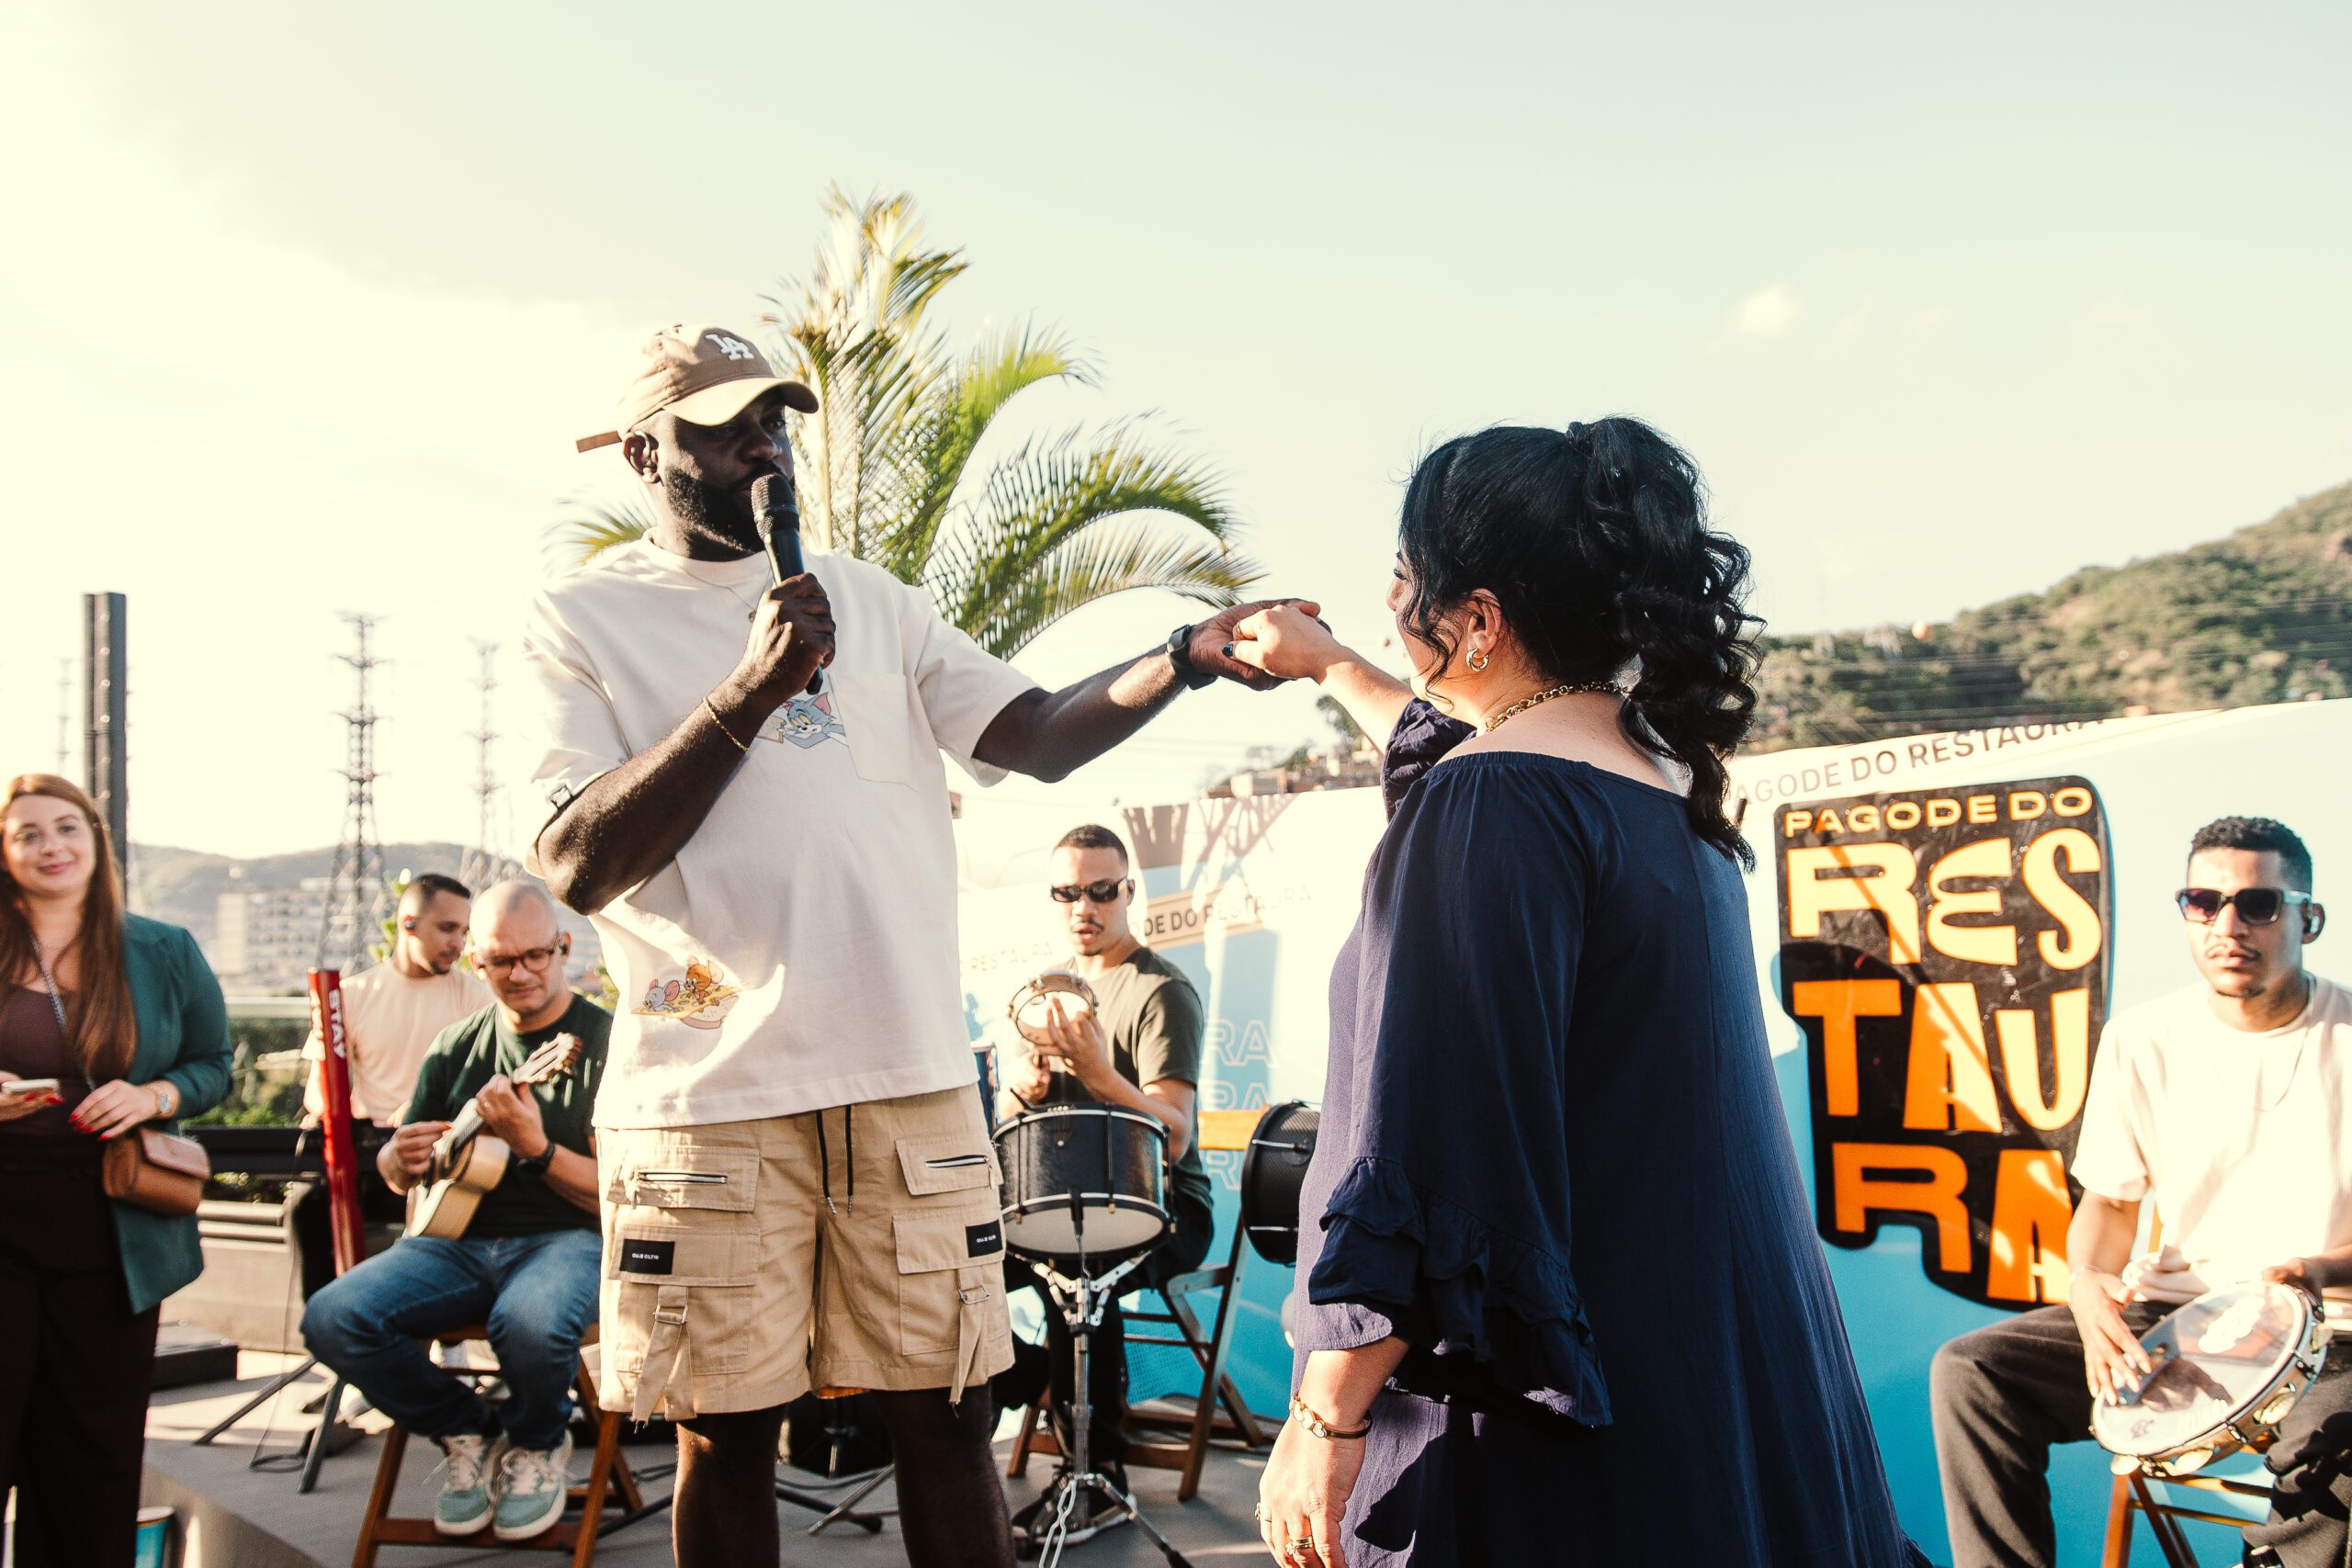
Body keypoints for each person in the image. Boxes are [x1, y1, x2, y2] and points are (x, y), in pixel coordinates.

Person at [525, 323, 1300, 1568]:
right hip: (710, 1099)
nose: (765, 446)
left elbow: (1033, 732)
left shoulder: (871, 600)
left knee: (949, 1417)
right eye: (725, 428)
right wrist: (749, 691)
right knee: (726, 1433)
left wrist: (1181, 658)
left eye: (775, 419)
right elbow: (575, 858)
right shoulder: (582, 619)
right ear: (642, 454)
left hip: (911, 1082)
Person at [1226, 422, 1927, 1568]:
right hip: (1712, 1401)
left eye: (1403, 575)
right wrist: (1332, 664)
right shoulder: (1651, 782)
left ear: (1479, 619)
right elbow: (1466, 757)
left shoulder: (1492, 807)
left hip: (1559, 1444)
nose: (1389, 599)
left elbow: (1437, 1159)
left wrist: (1324, 1416)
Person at [1931, 816, 2352, 1568]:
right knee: (1972, 1371)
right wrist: (2088, 1280)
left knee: (2337, 1438)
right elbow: (2112, 1201)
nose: (2228, 925)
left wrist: (2316, 1270)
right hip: (2180, 1320)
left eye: (2257, 904)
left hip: (2333, 1329)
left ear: (2308, 918)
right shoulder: (2143, 1036)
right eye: (2203, 901)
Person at [300, 881, 608, 1543]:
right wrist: (397, 1157)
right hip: (451, 1242)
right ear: (477, 961)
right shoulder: (455, 1045)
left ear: (564, 947)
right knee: (332, 1316)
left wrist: (536, 1148)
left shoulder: (602, 1043)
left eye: (535, 955)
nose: (520, 973)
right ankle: (467, 1427)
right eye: (501, 960)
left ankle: (537, 1443)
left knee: (526, 1319)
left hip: (570, 1241)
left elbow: (618, 1191)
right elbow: (400, 1171)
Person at [0, 774, 231, 1568]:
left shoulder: (163, 949)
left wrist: (152, 1094)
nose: (51, 846)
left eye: (67, 827)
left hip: (114, 1231)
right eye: (28, 833)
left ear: (96, 840)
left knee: (91, 1461)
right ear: (4, 851)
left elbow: (214, 1064)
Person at [993, 823, 1215, 1551]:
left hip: (1164, 1207)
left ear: (1128, 891)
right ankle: (1032, 1378)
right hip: (1061, 1198)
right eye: (1067, 892)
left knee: (1080, 1259)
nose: (1083, 906)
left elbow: (1174, 1134)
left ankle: (1098, 1473)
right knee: (953, 1261)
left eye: (1100, 890)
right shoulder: (1047, 992)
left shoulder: (1160, 990)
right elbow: (1012, 1125)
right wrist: (1021, 1091)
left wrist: (1097, 1073)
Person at [293, 872, 490, 1298]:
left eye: (464, 931)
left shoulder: (477, 1000)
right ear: (408, 924)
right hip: (370, 1153)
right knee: (309, 1208)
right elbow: (318, 1095)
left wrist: (423, 1113)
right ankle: (327, 1326)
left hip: (443, 1156)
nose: (458, 943)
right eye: (447, 928)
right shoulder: (351, 995)